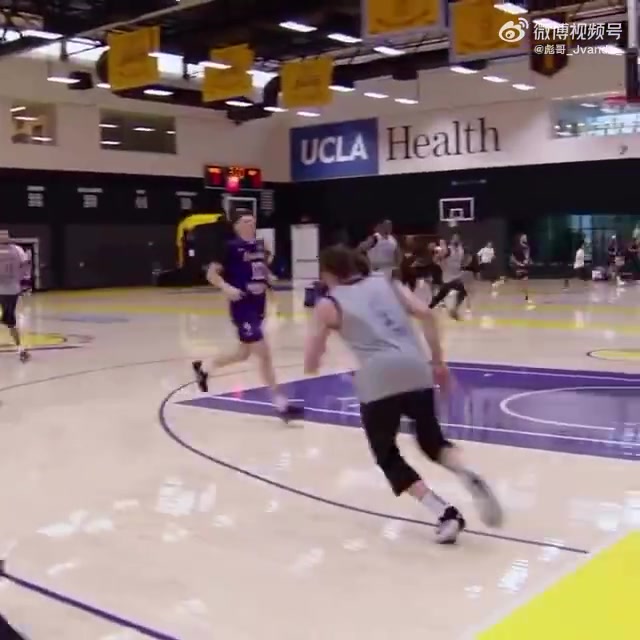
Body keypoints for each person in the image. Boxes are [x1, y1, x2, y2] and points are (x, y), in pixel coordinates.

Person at [304, 246, 502, 544]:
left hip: (378, 378)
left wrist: (318, 357)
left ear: (328, 273)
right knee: (433, 443)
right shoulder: (387, 282)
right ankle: (465, 472)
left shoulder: (329, 303)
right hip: (416, 367)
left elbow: (311, 360)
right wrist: (438, 362)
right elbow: (427, 315)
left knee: (387, 454)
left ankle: (445, 513)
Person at [192, 211, 303, 421]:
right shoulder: (230, 247)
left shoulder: (260, 246)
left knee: (242, 354)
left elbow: (261, 269)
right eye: (245, 221)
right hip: (242, 306)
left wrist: (270, 281)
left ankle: (204, 367)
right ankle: (281, 404)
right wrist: (227, 288)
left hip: (258, 305)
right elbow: (211, 274)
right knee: (264, 354)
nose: (250, 224)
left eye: (252, 220)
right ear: (236, 226)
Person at [0, 230, 30, 362]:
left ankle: (21, 349)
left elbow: (25, 265)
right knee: (10, 321)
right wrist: (23, 279)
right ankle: (21, 349)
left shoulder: (17, 250)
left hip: (9, 290)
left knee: (9, 320)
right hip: (12, 290)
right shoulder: (17, 250)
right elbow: (25, 265)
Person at [427, 234, 468, 320]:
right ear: (451, 241)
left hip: (454, 277)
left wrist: (463, 267)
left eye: (457, 238)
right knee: (462, 292)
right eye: (454, 239)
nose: (455, 240)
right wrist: (436, 255)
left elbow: (462, 261)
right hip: (449, 278)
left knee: (440, 296)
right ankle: (453, 310)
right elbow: (437, 258)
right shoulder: (448, 250)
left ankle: (428, 308)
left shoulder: (461, 250)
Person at [510, 234, 532, 304]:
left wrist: (527, 261)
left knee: (525, 281)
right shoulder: (516, 248)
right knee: (520, 282)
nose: (526, 238)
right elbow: (512, 257)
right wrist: (518, 263)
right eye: (524, 237)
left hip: (524, 266)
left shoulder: (527, 247)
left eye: (526, 237)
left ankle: (526, 297)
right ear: (521, 238)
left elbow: (527, 256)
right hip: (518, 266)